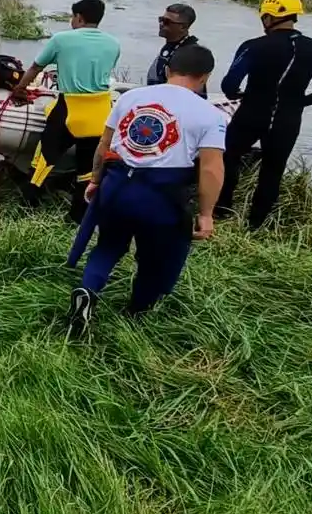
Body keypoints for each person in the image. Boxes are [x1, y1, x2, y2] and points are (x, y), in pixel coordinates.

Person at [67, 42, 225, 336]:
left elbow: (104, 146)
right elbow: (211, 169)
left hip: (117, 187)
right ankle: (135, 313)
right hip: (160, 198)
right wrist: (206, 213)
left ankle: (87, 290)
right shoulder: (209, 115)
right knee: (155, 258)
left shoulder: (131, 98)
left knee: (109, 245)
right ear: (205, 77)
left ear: (167, 70)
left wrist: (96, 180)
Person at [215, 0, 312, 229]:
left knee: (228, 156)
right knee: (273, 170)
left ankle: (221, 210)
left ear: (268, 18)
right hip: (287, 118)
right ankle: (255, 225)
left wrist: (238, 95)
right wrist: (302, 101)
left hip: (251, 113)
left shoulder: (253, 46)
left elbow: (229, 84)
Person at [10, 0, 121, 222]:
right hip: (100, 109)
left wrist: (20, 88)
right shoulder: (113, 43)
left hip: (70, 106)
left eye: (73, 17)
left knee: (45, 158)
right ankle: (77, 215)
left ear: (79, 17)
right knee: (87, 166)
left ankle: (27, 206)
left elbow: (36, 67)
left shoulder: (61, 39)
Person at [148, 3, 206, 98]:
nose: (161, 24)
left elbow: (190, 93)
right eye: (161, 20)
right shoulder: (171, 47)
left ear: (183, 27)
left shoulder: (191, 55)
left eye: (167, 22)